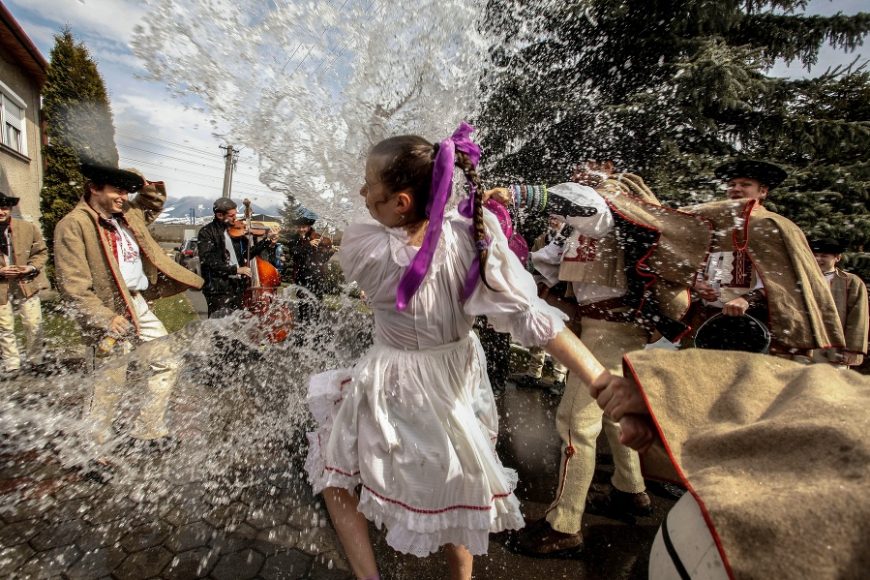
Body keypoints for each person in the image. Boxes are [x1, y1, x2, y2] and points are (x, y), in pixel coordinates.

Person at [304, 123, 612, 579]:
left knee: (336, 474)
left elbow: (410, 238)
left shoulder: (362, 244)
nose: (362, 191)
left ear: (401, 202)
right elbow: (529, 315)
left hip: (396, 378)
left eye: (369, 185)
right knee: (458, 484)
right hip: (456, 372)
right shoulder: (473, 236)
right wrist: (599, 378)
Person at [514, 162, 712, 557]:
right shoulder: (584, 227)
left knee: (575, 423)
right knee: (611, 413)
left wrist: (517, 194)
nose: (579, 177)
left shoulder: (601, 211)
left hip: (610, 329)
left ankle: (564, 524)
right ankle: (630, 490)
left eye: (588, 173)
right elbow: (544, 263)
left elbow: (584, 206)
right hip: (603, 326)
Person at [591, 348, 869, 579]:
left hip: (737, 546)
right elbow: (829, 391)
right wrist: (660, 391)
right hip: (726, 530)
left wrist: (660, 390)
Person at [54, 162, 203, 468]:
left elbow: (152, 200)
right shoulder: (73, 225)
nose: (123, 196)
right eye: (116, 190)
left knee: (168, 362)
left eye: (125, 191)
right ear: (94, 188)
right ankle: (90, 453)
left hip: (137, 304)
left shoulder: (128, 216)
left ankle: (147, 430)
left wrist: (137, 179)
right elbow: (73, 286)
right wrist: (103, 317)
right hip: (108, 309)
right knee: (108, 381)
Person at [686, 160, 844, 358]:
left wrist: (748, 300)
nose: (735, 189)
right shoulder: (712, 224)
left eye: (745, 184)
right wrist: (698, 283)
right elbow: (703, 262)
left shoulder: (775, 225)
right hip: (711, 320)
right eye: (732, 184)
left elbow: (785, 279)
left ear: (763, 191)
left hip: (763, 321)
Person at [198, 198, 275, 318]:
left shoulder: (235, 231)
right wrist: (235, 270)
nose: (235, 218)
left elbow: (247, 254)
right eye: (231, 215)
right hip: (218, 289)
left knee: (236, 328)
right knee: (220, 329)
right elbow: (208, 260)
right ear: (219, 215)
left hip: (237, 287)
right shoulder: (207, 232)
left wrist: (267, 241)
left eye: (236, 214)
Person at [0, 189, 49, 374]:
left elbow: (41, 252)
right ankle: (12, 364)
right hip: (1, 284)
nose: (1, 212)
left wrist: (30, 268)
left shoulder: (27, 228)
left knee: (33, 322)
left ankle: (36, 360)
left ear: (10, 208)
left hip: (26, 282)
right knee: (4, 325)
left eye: (4, 207)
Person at [808, 238, 868, 367]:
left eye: (824, 256)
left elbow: (858, 318)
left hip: (835, 350)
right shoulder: (802, 280)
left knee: (832, 385)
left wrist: (853, 349)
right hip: (804, 347)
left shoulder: (851, 282)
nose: (818, 259)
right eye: (815, 256)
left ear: (837, 258)